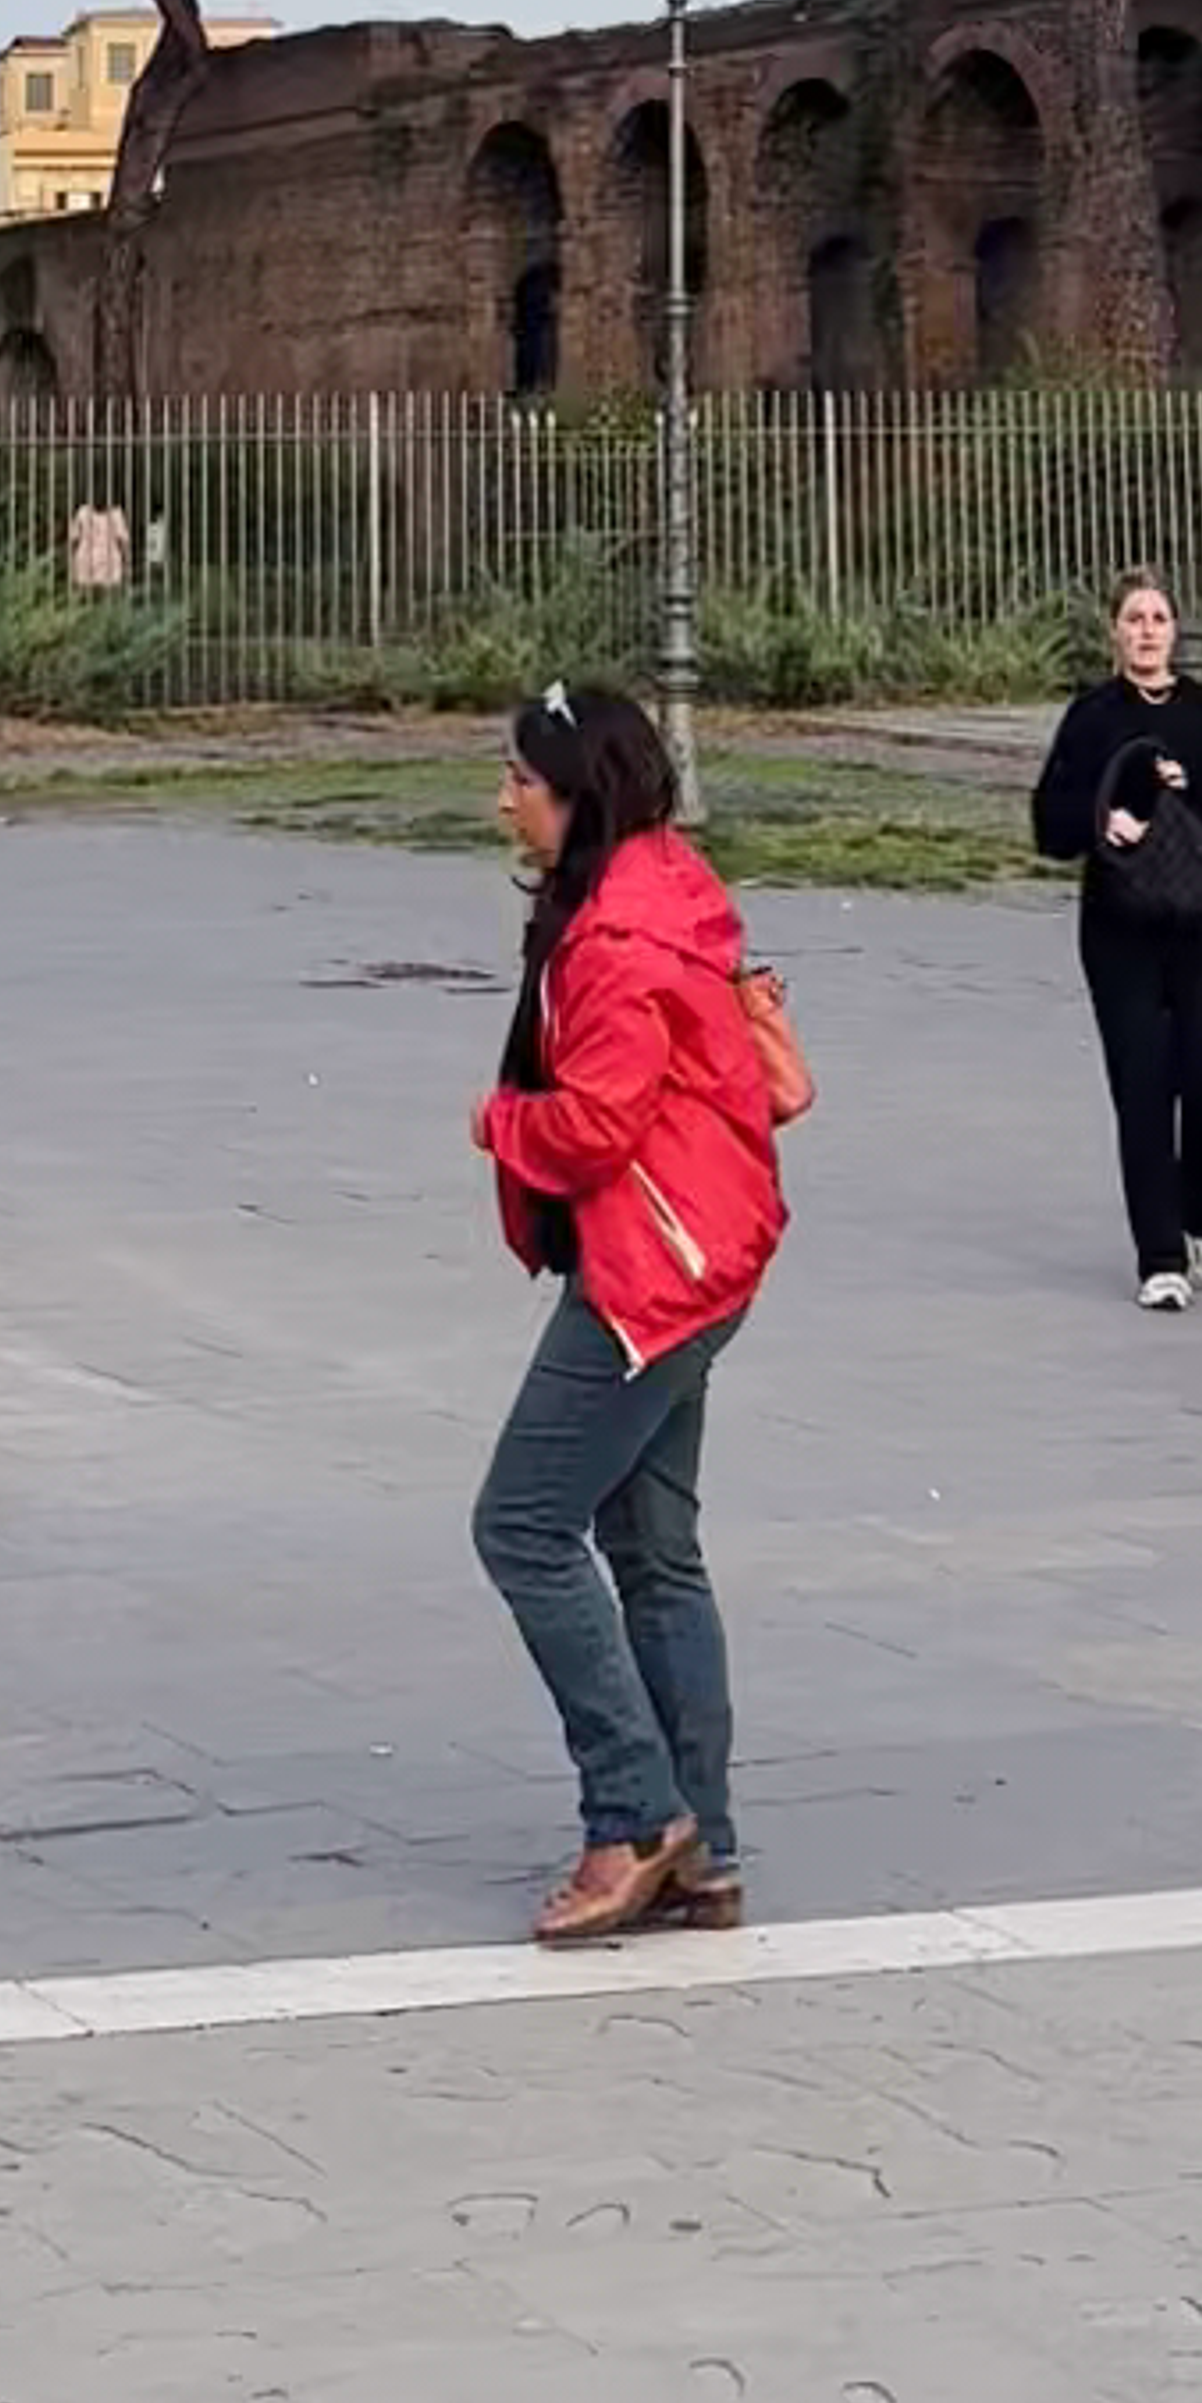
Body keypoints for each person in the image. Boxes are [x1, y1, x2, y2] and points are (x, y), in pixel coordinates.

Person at [468, 680, 785, 1945]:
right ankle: (701, 1844)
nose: (502, 798)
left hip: (654, 1261)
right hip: (710, 1241)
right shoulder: (660, 882)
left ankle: (635, 1813)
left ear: (574, 796)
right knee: (652, 1544)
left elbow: (597, 1119)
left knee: (523, 1524)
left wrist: (497, 1121)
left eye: (518, 779)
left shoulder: (612, 942)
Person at [1031, 573, 1202, 1309]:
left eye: (1158, 617)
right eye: (1133, 617)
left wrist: (1184, 781)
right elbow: (1050, 818)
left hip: (1195, 917)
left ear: (1175, 631)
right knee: (1143, 1081)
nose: (1146, 630)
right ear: (1114, 631)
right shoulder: (1093, 714)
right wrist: (1107, 814)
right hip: (1118, 924)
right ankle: (1159, 1257)